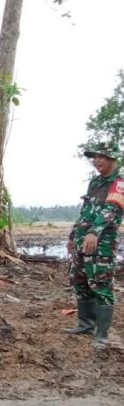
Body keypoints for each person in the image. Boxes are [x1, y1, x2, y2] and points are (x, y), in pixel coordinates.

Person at [64, 142, 123, 350]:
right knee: (80, 280)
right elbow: (86, 210)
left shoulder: (119, 182)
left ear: (113, 158)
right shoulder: (95, 183)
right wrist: (73, 235)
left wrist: (94, 232)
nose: (97, 161)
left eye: (102, 157)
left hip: (102, 242)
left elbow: (112, 210)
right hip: (83, 239)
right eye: (94, 157)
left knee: (101, 284)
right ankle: (85, 324)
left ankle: (102, 334)